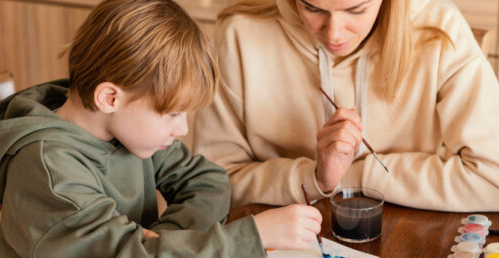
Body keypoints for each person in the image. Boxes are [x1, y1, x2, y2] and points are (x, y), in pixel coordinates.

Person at [0, 1, 323, 258]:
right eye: (173, 114)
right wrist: (249, 237)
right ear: (111, 97)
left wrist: (163, 242)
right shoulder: (48, 172)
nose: (183, 128)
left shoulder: (122, 125)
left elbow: (207, 180)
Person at [193, 0, 499, 211]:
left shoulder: (441, 27)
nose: (334, 33)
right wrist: (313, 177)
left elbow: (493, 178)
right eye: (311, 7)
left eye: (355, 9)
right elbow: (211, 185)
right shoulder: (238, 35)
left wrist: (348, 177)